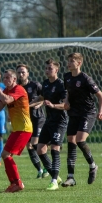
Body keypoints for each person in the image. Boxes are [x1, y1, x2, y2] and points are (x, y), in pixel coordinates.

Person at [0, 69, 32, 193]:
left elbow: (7, 100)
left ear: (14, 79)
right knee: (5, 155)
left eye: (8, 77)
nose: (5, 80)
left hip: (24, 128)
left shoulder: (18, 89)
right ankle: (15, 183)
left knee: (5, 155)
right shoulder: (6, 91)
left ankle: (17, 183)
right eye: (4, 78)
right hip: (18, 129)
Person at [62, 53, 102, 187]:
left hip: (88, 113)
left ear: (79, 63)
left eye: (71, 61)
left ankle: (93, 166)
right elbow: (68, 92)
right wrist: (66, 102)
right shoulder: (67, 77)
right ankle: (70, 177)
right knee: (71, 141)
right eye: (68, 61)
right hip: (74, 113)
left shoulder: (85, 78)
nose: (68, 63)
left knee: (80, 140)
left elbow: (101, 96)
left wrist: (101, 111)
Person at [29, 59, 68, 191]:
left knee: (55, 149)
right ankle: (55, 176)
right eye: (46, 68)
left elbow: (66, 105)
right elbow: (40, 98)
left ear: (56, 70)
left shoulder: (61, 85)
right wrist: (27, 105)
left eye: (50, 68)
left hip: (60, 121)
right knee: (40, 149)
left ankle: (54, 181)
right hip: (49, 121)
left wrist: (53, 105)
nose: (47, 70)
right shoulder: (45, 83)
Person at [16, 64, 49, 178]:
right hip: (26, 120)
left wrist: (38, 104)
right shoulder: (17, 88)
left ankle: (47, 166)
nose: (21, 74)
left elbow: (44, 97)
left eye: (23, 72)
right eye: (19, 72)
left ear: (28, 73)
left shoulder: (35, 85)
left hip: (38, 118)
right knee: (29, 146)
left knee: (35, 143)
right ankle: (40, 170)